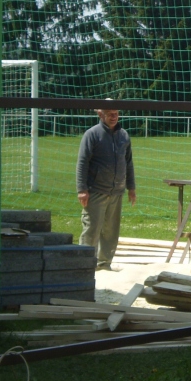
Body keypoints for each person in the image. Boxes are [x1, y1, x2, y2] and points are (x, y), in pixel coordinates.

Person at [76, 104, 136, 270]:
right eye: (110, 113)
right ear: (100, 114)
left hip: (117, 192)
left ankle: (104, 264)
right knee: (92, 230)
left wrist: (131, 187)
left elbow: (129, 163)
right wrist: (82, 189)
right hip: (95, 191)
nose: (113, 116)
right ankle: (84, 265)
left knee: (111, 232)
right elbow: (82, 162)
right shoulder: (92, 134)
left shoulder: (124, 135)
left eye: (116, 113)